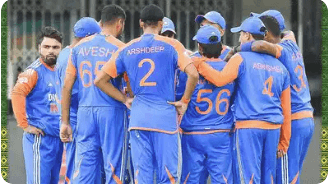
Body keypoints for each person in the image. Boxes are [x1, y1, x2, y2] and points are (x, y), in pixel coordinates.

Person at [95, 4, 199, 184]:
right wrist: (184, 101)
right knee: (168, 176)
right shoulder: (172, 45)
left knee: (142, 176)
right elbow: (193, 74)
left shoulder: (126, 48)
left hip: (138, 119)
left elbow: (99, 80)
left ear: (141, 23)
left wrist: (124, 99)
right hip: (165, 119)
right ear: (161, 23)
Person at [192, 17, 291, 184]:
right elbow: (286, 108)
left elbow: (219, 79)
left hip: (248, 128)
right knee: (269, 180)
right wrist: (284, 141)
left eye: (240, 34)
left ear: (246, 36)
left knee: (249, 179)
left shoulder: (241, 58)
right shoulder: (281, 67)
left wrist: (199, 64)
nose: (239, 39)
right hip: (274, 128)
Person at [238, 10, 315, 184]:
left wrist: (237, 49)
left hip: (295, 117)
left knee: (285, 177)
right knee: (290, 173)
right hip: (305, 116)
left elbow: (261, 46)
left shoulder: (280, 49)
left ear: (267, 33)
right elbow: (289, 33)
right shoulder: (291, 42)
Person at [60, 4, 127, 184]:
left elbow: (66, 87)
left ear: (101, 22)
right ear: (119, 23)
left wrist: (65, 122)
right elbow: (129, 86)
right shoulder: (120, 47)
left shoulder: (78, 47)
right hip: (111, 111)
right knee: (114, 168)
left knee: (85, 169)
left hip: (84, 113)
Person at [178, 25, 234, 184]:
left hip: (193, 134)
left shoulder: (190, 69)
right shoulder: (230, 68)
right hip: (221, 133)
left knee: (191, 182)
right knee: (222, 182)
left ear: (200, 47)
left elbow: (179, 95)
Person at [12, 26, 63, 184]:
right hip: (40, 139)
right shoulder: (34, 71)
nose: (51, 51)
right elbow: (17, 93)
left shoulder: (61, 70)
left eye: (55, 47)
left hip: (58, 139)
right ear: (39, 48)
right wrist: (24, 125)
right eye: (46, 47)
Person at [55, 17, 101, 184]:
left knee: (78, 163)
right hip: (76, 115)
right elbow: (73, 93)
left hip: (71, 114)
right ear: (88, 36)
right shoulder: (76, 54)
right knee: (79, 166)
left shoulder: (66, 52)